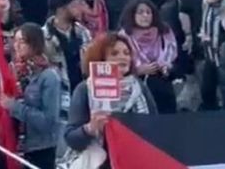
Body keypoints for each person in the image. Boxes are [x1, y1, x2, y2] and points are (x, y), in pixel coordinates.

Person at [64, 33, 157, 169]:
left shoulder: (140, 88)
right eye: (114, 53)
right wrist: (90, 129)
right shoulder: (85, 89)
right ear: (100, 58)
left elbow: (155, 127)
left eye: (126, 53)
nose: (123, 57)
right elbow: (71, 138)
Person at [1, 23, 61, 169]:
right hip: (17, 145)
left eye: (22, 41)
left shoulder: (48, 76)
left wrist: (14, 107)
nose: (17, 46)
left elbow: (48, 121)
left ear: (34, 43)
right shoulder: (14, 71)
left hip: (41, 147)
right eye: (15, 41)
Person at [119, 0, 177, 113]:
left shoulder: (164, 31)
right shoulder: (124, 36)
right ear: (132, 15)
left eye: (148, 12)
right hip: (135, 85)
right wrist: (138, 70)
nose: (145, 16)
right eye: (140, 12)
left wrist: (166, 67)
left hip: (163, 83)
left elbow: (175, 58)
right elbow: (118, 64)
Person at [43, 0, 92, 118]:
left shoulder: (83, 32)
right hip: (59, 93)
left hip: (82, 90)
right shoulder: (44, 36)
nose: (79, 9)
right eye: (74, 5)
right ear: (61, 9)